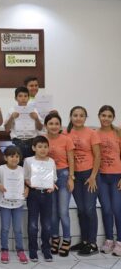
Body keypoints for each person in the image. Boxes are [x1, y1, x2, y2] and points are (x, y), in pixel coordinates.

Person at [66, 106, 101, 256]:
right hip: (75, 176)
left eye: (81, 115)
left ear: (85, 118)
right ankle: (85, 241)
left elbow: (98, 156)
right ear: (71, 117)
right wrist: (71, 176)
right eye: (75, 115)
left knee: (89, 208)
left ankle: (93, 243)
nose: (78, 118)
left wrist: (93, 176)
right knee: (81, 210)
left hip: (89, 175)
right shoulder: (66, 133)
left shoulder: (92, 133)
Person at [0, 145, 29, 265]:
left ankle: (20, 250)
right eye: (11, 156)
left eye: (17, 156)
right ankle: (4, 249)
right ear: (5, 157)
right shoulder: (1, 169)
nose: (14, 159)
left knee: (18, 229)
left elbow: (26, 183)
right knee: (5, 228)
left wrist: (26, 189)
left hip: (18, 204)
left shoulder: (22, 170)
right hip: (5, 204)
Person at [45, 113, 75, 257]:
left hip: (63, 176)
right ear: (46, 126)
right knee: (53, 212)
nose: (54, 126)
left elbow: (71, 160)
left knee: (63, 211)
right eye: (51, 123)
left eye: (57, 123)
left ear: (60, 125)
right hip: (47, 177)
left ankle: (67, 239)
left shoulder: (66, 140)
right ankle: (55, 238)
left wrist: (71, 177)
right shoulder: (42, 139)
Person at [24, 136, 57, 262]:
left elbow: (54, 178)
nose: (43, 149)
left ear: (48, 148)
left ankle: (46, 248)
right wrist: (29, 183)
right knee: (32, 224)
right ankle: (33, 249)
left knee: (47, 224)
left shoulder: (51, 161)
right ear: (34, 148)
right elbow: (25, 177)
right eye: (39, 147)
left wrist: (52, 185)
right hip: (33, 194)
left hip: (47, 195)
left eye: (45, 147)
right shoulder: (28, 161)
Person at [96, 105, 121, 256]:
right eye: (103, 115)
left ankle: (119, 242)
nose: (106, 118)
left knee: (117, 210)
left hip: (117, 175)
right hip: (101, 176)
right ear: (99, 116)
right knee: (106, 209)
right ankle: (109, 240)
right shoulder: (95, 133)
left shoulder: (118, 133)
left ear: (113, 118)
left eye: (109, 116)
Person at [4, 86, 43, 161]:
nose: (23, 98)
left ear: (28, 98)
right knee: (18, 165)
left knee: (31, 165)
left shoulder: (34, 110)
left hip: (32, 141)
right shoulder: (12, 110)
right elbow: (6, 129)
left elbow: (40, 128)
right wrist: (12, 118)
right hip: (17, 141)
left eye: (25, 96)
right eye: (20, 96)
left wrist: (36, 118)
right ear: (15, 98)